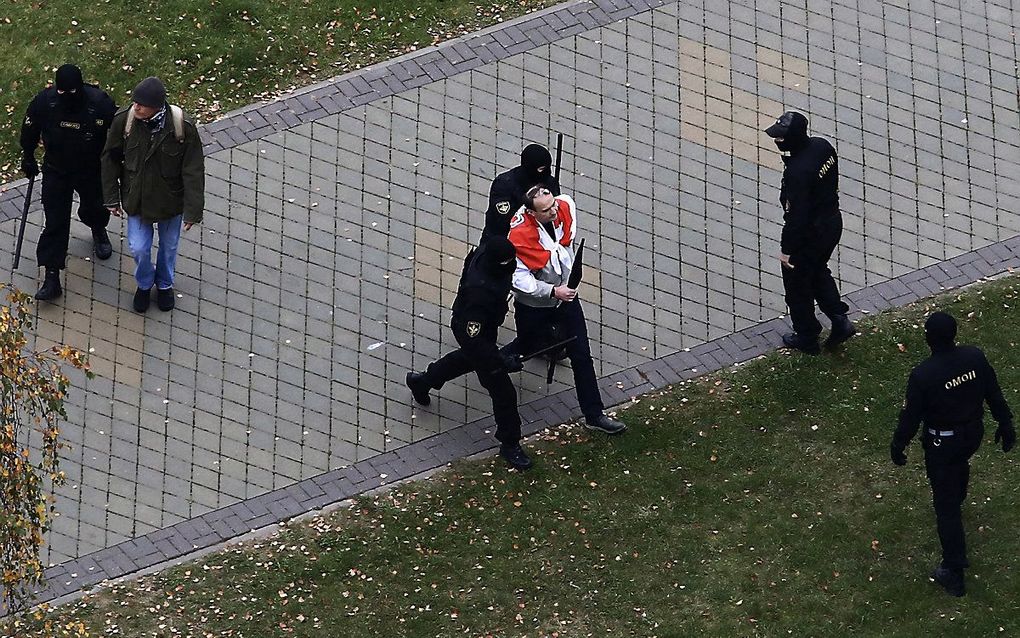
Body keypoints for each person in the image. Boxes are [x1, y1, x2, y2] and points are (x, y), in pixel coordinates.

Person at [890, 312, 1014, 597]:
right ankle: (957, 494)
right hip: (972, 435)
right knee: (959, 467)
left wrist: (898, 445)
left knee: (946, 509)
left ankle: (953, 571)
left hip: (942, 444)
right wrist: (1005, 423)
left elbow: (911, 417)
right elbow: (993, 392)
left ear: (928, 338)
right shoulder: (974, 358)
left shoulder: (923, 375)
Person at [504, 186, 626, 436]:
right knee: (525, 346)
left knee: (582, 355)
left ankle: (594, 414)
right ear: (531, 213)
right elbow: (519, 280)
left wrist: (562, 291)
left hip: (566, 299)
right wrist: (551, 291)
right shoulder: (518, 238)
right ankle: (481, 363)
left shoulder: (564, 207)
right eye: (546, 210)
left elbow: (563, 236)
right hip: (535, 307)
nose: (553, 212)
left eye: (553, 206)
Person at [405, 237, 533, 470]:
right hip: (473, 331)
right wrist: (502, 360)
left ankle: (423, 381)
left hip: (484, 325)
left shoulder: (488, 255)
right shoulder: (480, 291)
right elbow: (477, 343)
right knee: (503, 391)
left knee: (466, 360)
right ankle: (510, 442)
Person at [101, 77, 205, 312]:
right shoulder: (124, 122)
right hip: (136, 198)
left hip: (170, 201)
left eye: (141, 104)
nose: (135, 107)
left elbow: (193, 169)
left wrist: (193, 210)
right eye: (135, 101)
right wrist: (111, 197)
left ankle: (165, 284)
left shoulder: (182, 127)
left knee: (169, 247)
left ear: (157, 107)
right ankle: (145, 284)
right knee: (138, 247)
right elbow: (109, 159)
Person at [20, 64, 118, 301]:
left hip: (90, 169)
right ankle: (52, 276)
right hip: (57, 170)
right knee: (55, 221)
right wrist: (28, 155)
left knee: (94, 207)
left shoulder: (100, 103)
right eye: (62, 92)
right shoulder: (46, 102)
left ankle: (98, 229)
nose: (66, 97)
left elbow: (117, 134)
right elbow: (30, 128)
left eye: (71, 92)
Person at [764, 111, 855, 354]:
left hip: (809, 234)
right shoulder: (822, 146)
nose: (777, 141)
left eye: (781, 138)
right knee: (816, 272)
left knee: (796, 286)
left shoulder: (798, 172)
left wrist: (787, 251)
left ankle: (806, 335)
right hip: (832, 223)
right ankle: (839, 319)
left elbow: (796, 218)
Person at [480, 143, 560, 244]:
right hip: (504, 242)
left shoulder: (550, 182)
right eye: (542, 169)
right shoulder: (504, 185)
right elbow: (504, 220)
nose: (547, 172)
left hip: (540, 241)